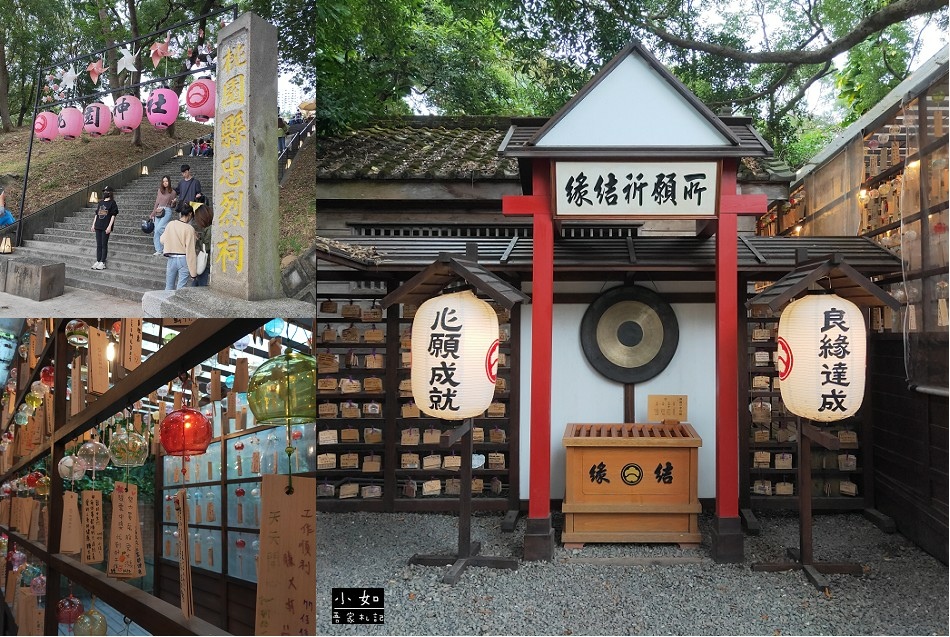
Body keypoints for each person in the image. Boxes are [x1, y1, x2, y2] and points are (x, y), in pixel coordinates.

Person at [160, 206, 198, 290]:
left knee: (169, 286)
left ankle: (166, 302)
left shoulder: (171, 224)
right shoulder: (190, 229)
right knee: (181, 288)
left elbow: (162, 240)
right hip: (183, 259)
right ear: (190, 214)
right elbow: (190, 251)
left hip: (171, 258)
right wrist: (193, 273)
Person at [89, 185, 118, 270]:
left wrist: (109, 227)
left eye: (106, 192)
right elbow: (96, 214)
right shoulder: (101, 202)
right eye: (104, 191)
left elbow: (113, 215)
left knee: (104, 244)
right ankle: (98, 260)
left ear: (110, 193)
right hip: (98, 225)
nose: (105, 193)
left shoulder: (112, 203)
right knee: (99, 244)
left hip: (106, 226)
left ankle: (102, 262)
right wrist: (93, 224)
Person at [150, 175, 176, 256]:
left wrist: (174, 202)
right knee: (156, 231)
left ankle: (170, 241)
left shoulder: (173, 192)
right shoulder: (159, 191)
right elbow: (157, 203)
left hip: (167, 210)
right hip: (158, 211)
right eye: (164, 181)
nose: (165, 183)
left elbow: (172, 206)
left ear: (169, 182)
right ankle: (159, 250)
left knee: (159, 228)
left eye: (166, 181)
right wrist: (153, 213)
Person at [191, 203, 214, 286]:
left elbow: (206, 247)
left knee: (199, 287)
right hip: (206, 264)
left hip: (206, 264)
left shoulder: (209, 230)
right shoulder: (210, 228)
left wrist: (197, 240)